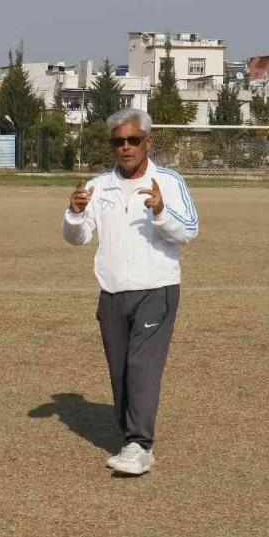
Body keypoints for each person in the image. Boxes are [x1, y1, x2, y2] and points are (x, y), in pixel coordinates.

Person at [62, 108, 198, 476]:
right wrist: (74, 215)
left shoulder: (168, 181)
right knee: (121, 370)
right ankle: (131, 437)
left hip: (157, 289)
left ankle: (139, 445)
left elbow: (189, 231)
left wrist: (160, 211)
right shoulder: (97, 185)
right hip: (112, 293)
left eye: (133, 140)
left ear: (148, 142)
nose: (125, 148)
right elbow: (77, 238)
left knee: (142, 367)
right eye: (118, 141)